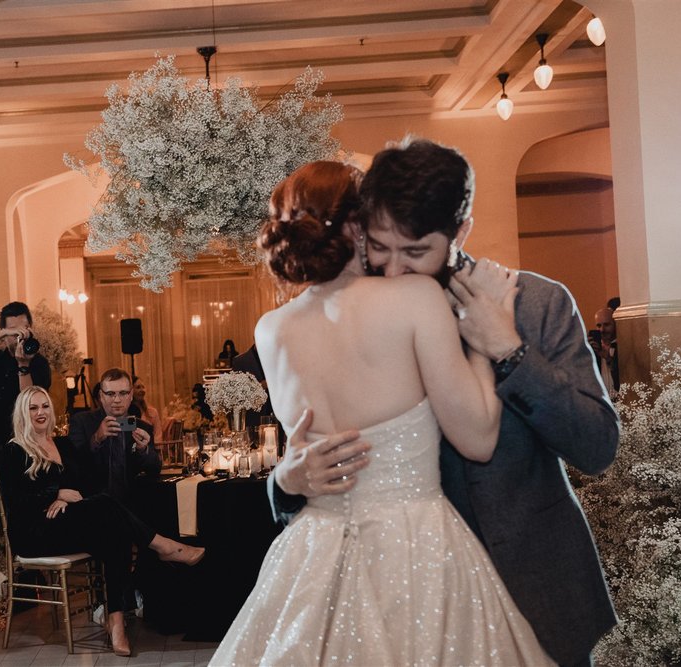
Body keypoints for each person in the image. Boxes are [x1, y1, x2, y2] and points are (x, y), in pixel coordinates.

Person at [267, 140, 619, 666]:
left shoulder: (537, 302)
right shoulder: (341, 314)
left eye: (414, 252)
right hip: (401, 593)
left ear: (461, 232)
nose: (391, 270)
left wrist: (509, 350)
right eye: (380, 248)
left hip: (534, 582)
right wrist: (285, 481)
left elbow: (597, 446)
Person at [212, 159, 551, 665]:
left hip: (312, 550)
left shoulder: (270, 330)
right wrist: (485, 338)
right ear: (354, 226)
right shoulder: (412, 298)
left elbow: (299, 447)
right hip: (414, 545)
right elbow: (478, 438)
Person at [0, 387, 204, 656]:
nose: (40, 413)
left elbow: (86, 483)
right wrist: (55, 493)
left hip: (66, 521)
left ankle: (115, 621)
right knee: (108, 511)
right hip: (35, 532)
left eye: (44, 406)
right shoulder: (14, 450)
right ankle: (163, 547)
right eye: (33, 408)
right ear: (23, 413)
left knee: (112, 532)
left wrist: (68, 498)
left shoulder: (61, 444)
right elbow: (16, 501)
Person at [0, 301, 52, 456]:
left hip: (29, 444)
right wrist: (4, 333)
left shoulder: (39, 362)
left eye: (24, 328)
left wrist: (23, 365)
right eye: (14, 331)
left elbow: (30, 399)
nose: (19, 336)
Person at [68, 368, 161, 501]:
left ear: (131, 395)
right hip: (93, 504)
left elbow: (155, 469)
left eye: (123, 393)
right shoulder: (82, 422)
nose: (117, 399)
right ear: (101, 395)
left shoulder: (142, 427)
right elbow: (74, 467)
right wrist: (96, 438)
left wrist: (143, 450)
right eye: (110, 393)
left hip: (133, 506)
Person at [593, 306, 619, 394]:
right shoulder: (592, 350)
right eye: (598, 325)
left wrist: (609, 359)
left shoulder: (624, 347)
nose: (602, 330)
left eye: (607, 325)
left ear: (615, 324)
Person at [131, 376, 164, 442]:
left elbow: (158, 437)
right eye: (138, 387)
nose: (142, 390)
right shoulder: (125, 412)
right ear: (131, 391)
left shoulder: (152, 412)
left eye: (143, 387)